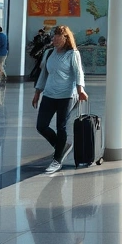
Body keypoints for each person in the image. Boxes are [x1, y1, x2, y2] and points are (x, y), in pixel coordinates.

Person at [32, 26, 88, 173]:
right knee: (41, 126)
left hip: (67, 95)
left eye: (58, 37)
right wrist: (37, 92)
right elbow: (43, 73)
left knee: (60, 126)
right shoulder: (49, 53)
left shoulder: (72, 54)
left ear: (65, 38)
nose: (54, 39)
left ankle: (57, 160)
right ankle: (61, 146)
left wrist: (80, 90)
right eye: (54, 36)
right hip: (49, 94)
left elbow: (78, 72)